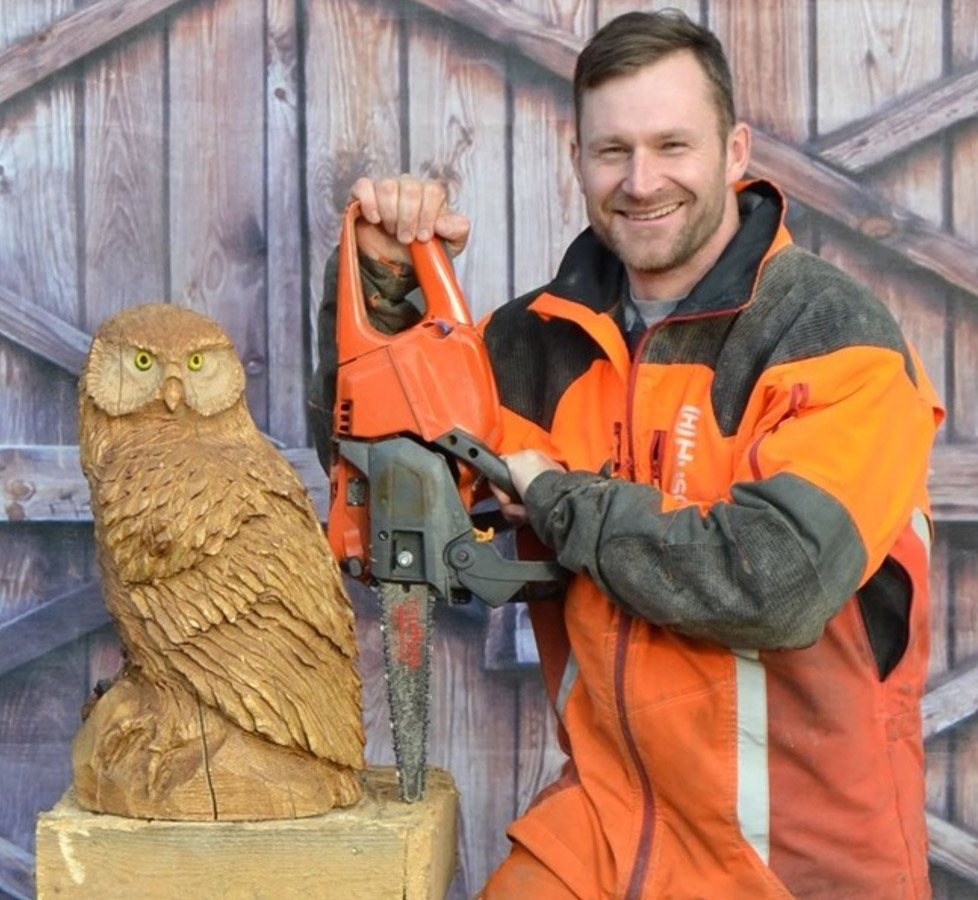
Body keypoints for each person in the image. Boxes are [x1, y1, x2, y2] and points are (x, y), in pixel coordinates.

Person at [309, 10, 943, 899]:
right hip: (604, 828)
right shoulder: (532, 344)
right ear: (577, 159)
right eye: (613, 152)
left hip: (794, 861)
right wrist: (389, 294)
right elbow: (391, 483)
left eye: (672, 145)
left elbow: (773, 583)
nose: (642, 181)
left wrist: (561, 501)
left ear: (734, 151)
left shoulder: (832, 340)